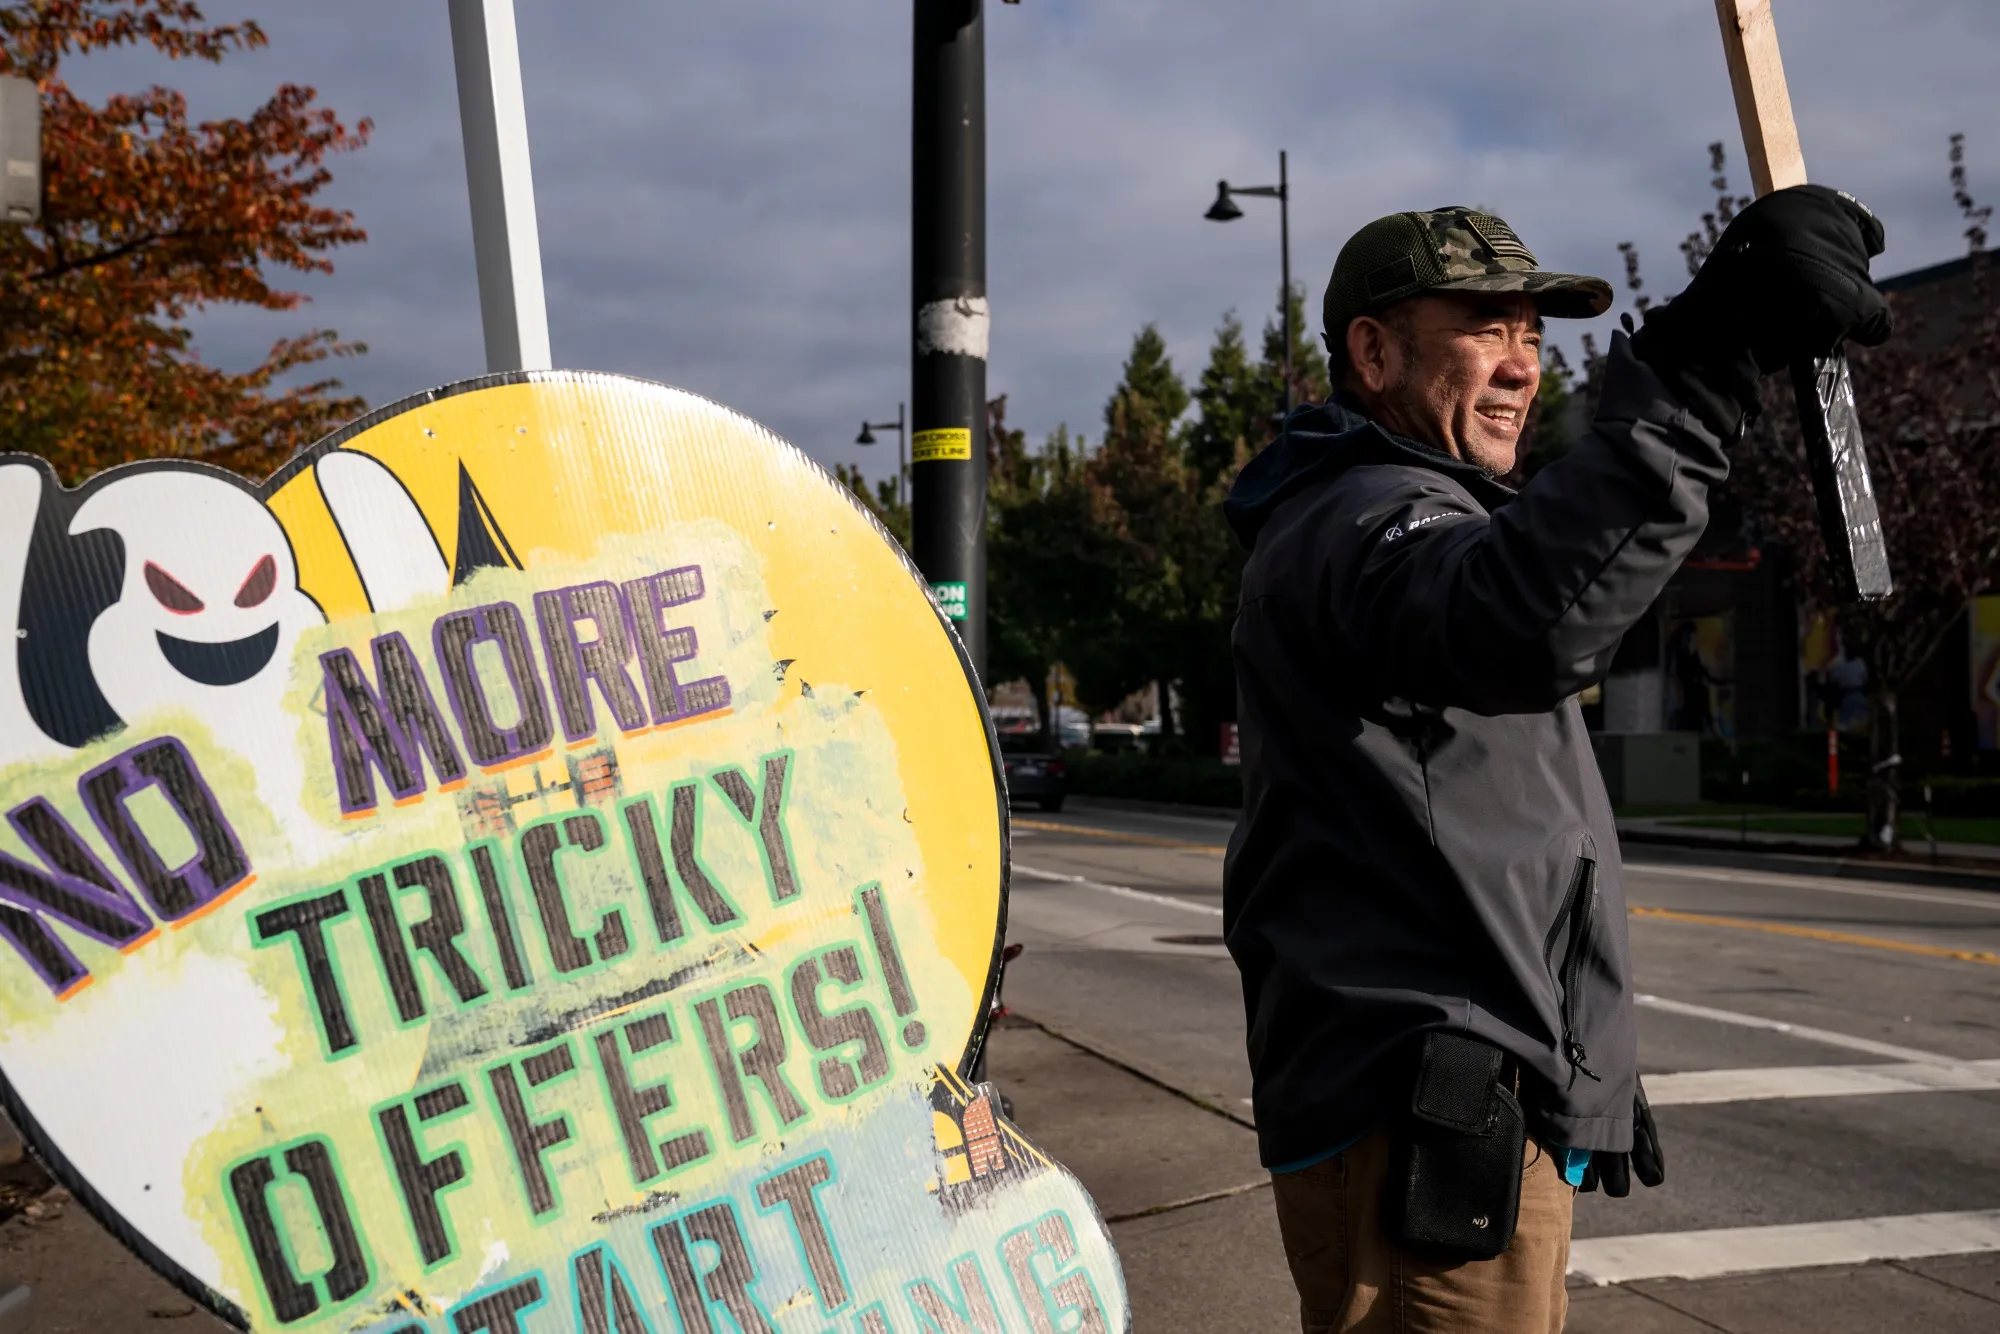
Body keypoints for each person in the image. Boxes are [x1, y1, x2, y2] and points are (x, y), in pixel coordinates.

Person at [1222, 188, 1891, 1334]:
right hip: (1419, 1129)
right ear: (1371, 353)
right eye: (1484, 328)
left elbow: (1496, 831)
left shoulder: (1413, 511)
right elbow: (1523, 615)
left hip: (1469, 1109)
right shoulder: (1362, 518)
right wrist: (1699, 362)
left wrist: (1577, 1057)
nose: (1520, 364)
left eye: (1531, 334)